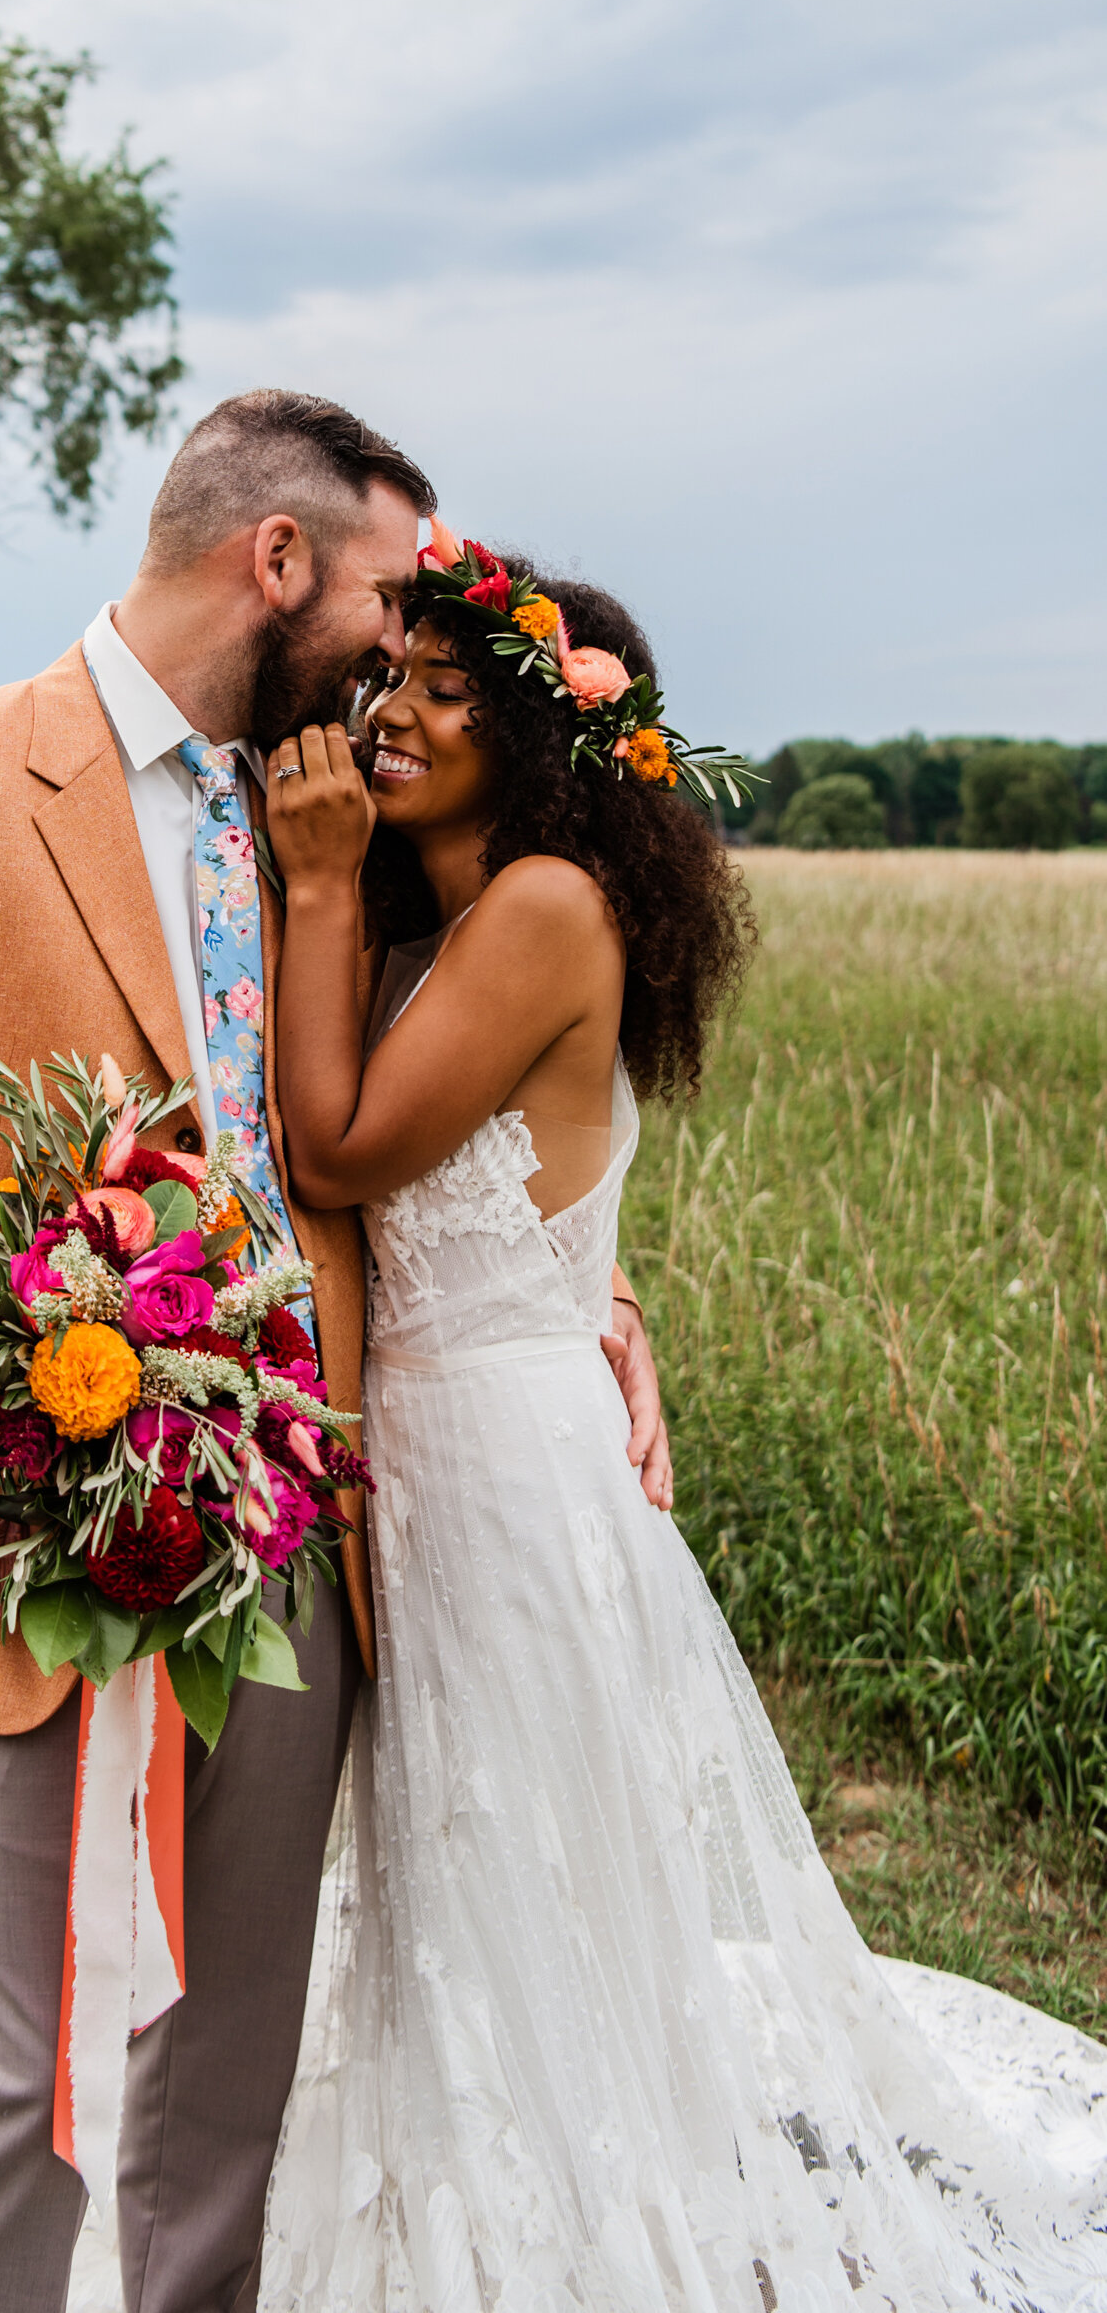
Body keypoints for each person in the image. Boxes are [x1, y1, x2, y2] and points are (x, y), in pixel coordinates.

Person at [0, 396, 667, 2313]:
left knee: (231, 2067)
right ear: (273, 561)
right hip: (39, 1522)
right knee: (22, 2067)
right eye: (387, 597)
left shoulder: (350, 832)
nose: (401, 651)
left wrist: (594, 1308)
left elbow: (460, 1131)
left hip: (319, 1533)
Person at [256, 539, 1107, 2310]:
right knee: (459, 1860)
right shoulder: (459, 919)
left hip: (496, 1467)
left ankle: (577, 2232)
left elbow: (337, 1153)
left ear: (546, 745)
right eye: (387, 675)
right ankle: (489, 2191)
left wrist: (322, 878)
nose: (392, 712)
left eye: (444, 689)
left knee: (515, 1854)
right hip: (437, 1440)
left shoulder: (546, 906)